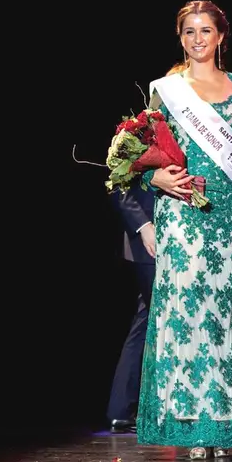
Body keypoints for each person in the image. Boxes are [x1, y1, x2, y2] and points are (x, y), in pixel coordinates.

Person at [135, 0, 232, 458]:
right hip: (181, 217)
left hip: (228, 220)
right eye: (189, 31)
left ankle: (222, 426)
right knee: (183, 316)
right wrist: (155, 178)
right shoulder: (166, 90)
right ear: (181, 37)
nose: (198, 39)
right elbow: (143, 154)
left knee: (221, 318)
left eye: (206, 30)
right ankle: (189, 427)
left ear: (221, 35)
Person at [106, 184, 156, 433]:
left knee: (146, 319)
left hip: (174, 235)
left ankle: (122, 409)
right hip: (148, 238)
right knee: (156, 318)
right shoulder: (131, 143)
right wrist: (144, 226)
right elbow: (118, 186)